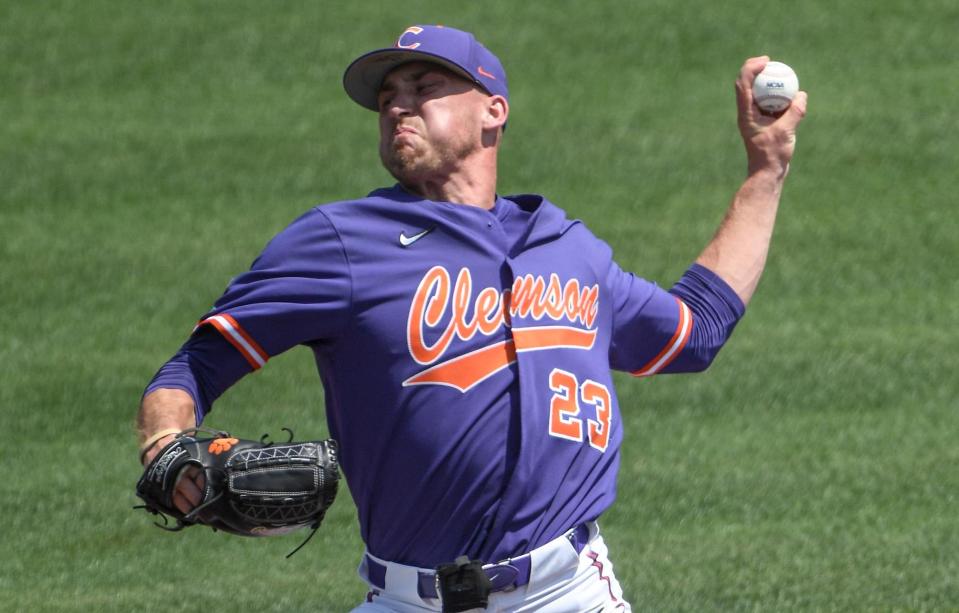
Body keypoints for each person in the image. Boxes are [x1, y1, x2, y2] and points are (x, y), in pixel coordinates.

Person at [136, 24, 807, 612]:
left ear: (493, 111)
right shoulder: (340, 240)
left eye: (423, 85)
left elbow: (694, 332)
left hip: (568, 591)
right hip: (406, 597)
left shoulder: (567, 248)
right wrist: (166, 447)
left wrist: (765, 168)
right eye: (386, 95)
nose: (396, 101)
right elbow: (192, 366)